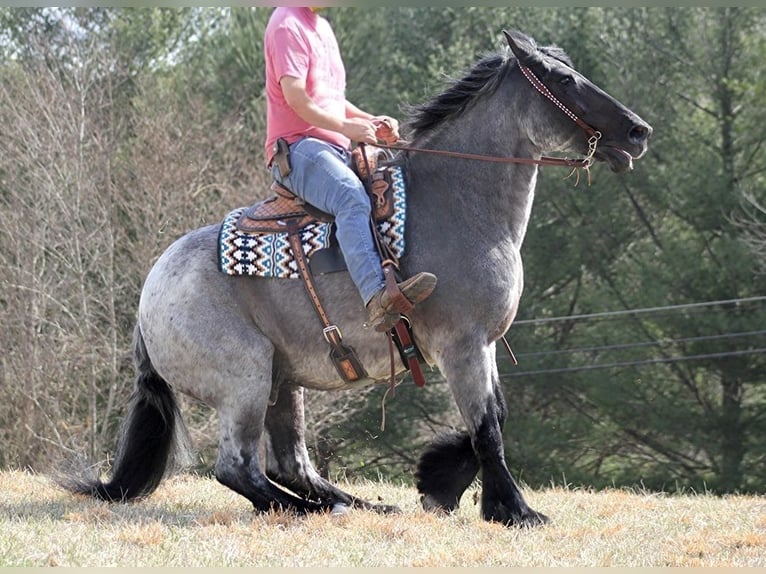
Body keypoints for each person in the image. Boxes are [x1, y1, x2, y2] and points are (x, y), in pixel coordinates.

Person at [264, 7, 436, 330]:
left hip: (334, 145)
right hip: (298, 147)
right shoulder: (286, 24)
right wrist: (348, 128)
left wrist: (370, 122)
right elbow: (298, 99)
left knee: (396, 182)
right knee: (349, 195)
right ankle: (376, 298)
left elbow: (332, 101)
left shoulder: (323, 28)